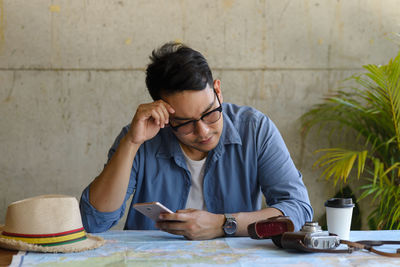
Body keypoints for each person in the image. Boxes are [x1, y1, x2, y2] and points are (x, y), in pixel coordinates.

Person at [80, 42, 313, 240]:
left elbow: (298, 210)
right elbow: (93, 222)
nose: (203, 131)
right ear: (165, 116)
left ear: (218, 91)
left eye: (210, 113)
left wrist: (224, 224)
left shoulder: (254, 130)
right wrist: (131, 143)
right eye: (184, 123)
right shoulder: (141, 137)